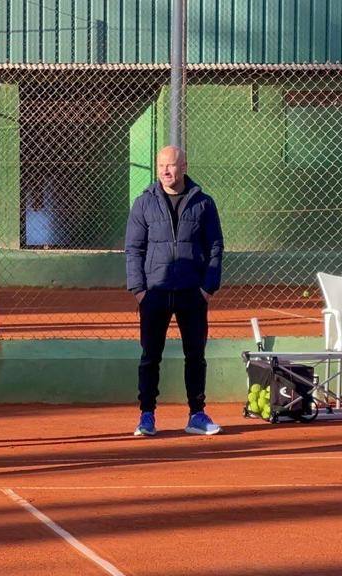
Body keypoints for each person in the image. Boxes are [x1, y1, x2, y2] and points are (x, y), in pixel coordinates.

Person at [125, 145, 224, 437]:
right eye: (161, 166)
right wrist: (139, 290)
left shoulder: (203, 203)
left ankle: (197, 414)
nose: (166, 171)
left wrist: (208, 288)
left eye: (171, 166)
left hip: (192, 293)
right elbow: (133, 249)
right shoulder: (143, 204)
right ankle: (147, 416)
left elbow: (215, 247)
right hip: (154, 293)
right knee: (149, 356)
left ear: (184, 167)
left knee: (195, 355)